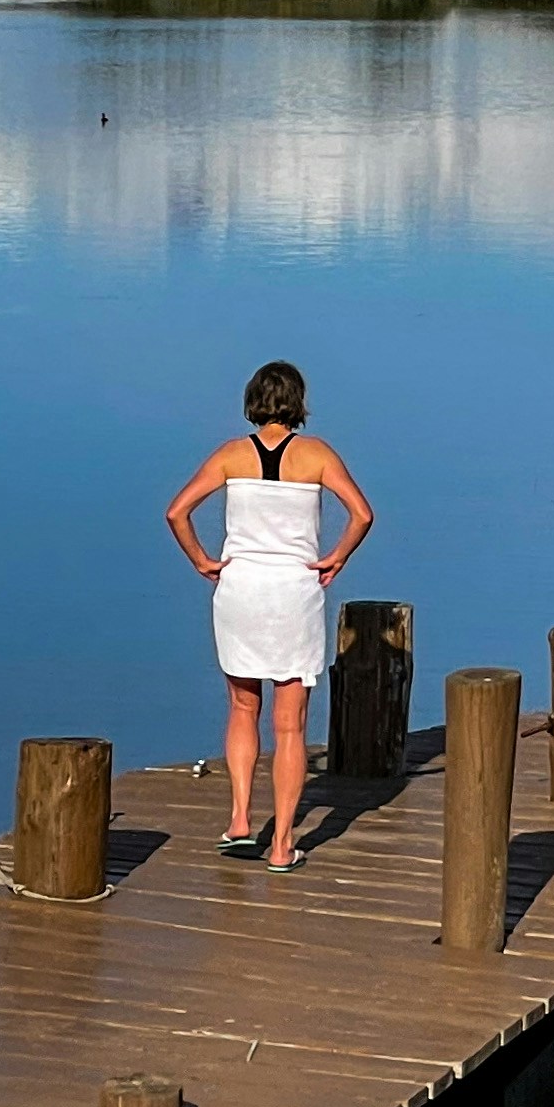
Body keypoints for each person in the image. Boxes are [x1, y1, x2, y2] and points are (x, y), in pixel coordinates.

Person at [164, 361, 375, 871]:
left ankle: (239, 820)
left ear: (253, 400)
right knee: (290, 726)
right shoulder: (318, 454)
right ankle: (282, 845)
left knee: (241, 706)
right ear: (298, 401)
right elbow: (363, 514)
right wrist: (337, 556)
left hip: (240, 588)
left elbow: (176, 512)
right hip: (293, 591)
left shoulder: (232, 454)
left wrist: (201, 560)